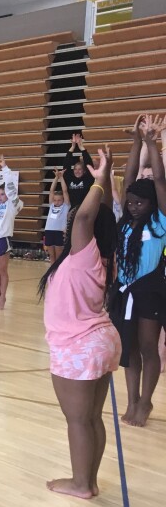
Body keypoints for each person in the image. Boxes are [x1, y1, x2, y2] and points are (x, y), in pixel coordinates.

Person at [39, 145, 120, 500]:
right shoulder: (99, 258)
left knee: (77, 420)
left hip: (78, 346)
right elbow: (92, 215)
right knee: (91, 418)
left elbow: (86, 217)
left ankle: (81, 483)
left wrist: (101, 178)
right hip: (99, 340)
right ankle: (89, 480)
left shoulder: (84, 253)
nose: (74, 217)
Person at [111, 114, 166, 427]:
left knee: (148, 348)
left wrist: (151, 143)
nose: (133, 206)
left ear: (153, 205)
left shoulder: (160, 223)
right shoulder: (126, 223)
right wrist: (134, 141)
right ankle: (131, 400)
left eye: (139, 203)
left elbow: (158, 181)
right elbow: (128, 177)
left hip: (150, 291)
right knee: (129, 349)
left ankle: (146, 402)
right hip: (125, 289)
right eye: (130, 202)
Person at [0, 156, 23, 310]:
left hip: (4, 239)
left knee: (2, 270)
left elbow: (10, 188)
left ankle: (3, 297)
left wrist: (4, 168)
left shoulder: (13, 205)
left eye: (3, 194)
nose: (1, 197)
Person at [45, 169, 70, 264]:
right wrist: (56, 177)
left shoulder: (65, 206)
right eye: (55, 200)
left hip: (59, 232)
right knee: (52, 255)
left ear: (63, 200)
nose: (56, 202)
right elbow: (51, 190)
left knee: (59, 255)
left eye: (59, 200)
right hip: (49, 231)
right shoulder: (51, 205)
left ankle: (59, 273)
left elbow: (65, 191)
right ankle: (52, 274)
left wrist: (61, 177)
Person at [63, 133, 95, 207]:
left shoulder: (88, 179)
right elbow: (66, 165)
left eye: (80, 169)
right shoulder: (70, 179)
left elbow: (89, 164)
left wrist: (81, 148)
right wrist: (72, 147)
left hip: (85, 208)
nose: (77, 171)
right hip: (72, 209)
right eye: (75, 169)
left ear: (84, 171)